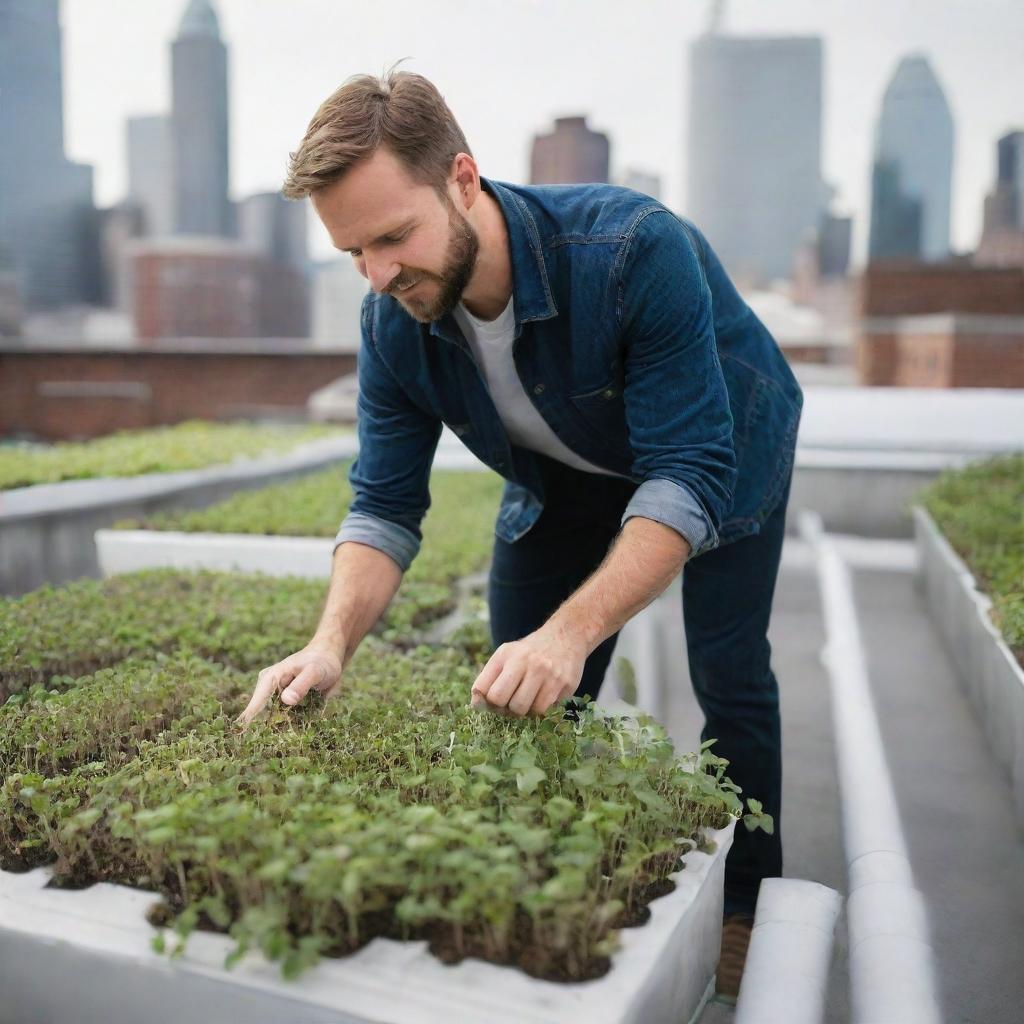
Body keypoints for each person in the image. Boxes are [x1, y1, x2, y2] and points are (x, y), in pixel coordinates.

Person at [238, 67, 802, 999]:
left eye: (393, 238)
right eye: (353, 254)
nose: (379, 275)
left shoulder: (630, 249)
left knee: (729, 674)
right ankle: (545, 878)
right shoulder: (391, 320)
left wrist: (575, 633)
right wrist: (329, 644)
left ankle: (743, 907)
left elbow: (684, 475)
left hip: (723, 451)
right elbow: (383, 505)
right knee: (520, 689)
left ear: (463, 179)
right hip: (565, 478)